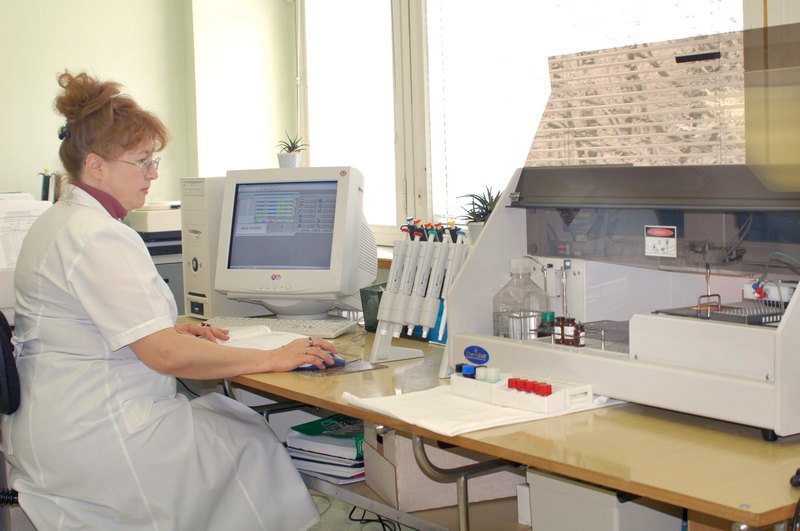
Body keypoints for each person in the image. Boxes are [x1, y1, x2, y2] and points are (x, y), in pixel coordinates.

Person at [2, 71, 337, 530]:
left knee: (230, 422)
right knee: (248, 437)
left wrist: (167, 330)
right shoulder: (98, 234)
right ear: (96, 166)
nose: (154, 174)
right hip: (100, 435)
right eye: (141, 161)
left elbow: (84, 325)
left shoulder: (59, 220)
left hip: (56, 426)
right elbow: (163, 356)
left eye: (153, 160)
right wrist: (273, 358)